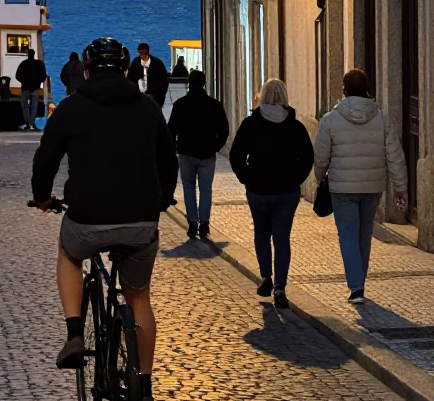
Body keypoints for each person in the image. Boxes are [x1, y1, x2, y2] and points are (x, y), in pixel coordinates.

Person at [32, 37, 178, 401]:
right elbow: (169, 159)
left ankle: (75, 333)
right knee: (139, 297)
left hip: (88, 217)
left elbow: (45, 158)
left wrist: (43, 197)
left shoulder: (71, 108)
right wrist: (162, 200)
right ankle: (144, 390)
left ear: (86, 71)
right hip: (141, 220)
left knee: (69, 252)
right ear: (128, 70)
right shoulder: (147, 109)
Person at [313, 68, 408, 304]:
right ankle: (359, 282)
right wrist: (400, 187)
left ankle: (356, 287)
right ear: (367, 89)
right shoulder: (382, 118)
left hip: (341, 188)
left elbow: (321, 156)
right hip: (371, 186)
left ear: (343, 90)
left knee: (347, 234)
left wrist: (319, 176)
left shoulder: (330, 120)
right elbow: (395, 155)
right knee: (364, 234)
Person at [228, 78, 314, 309]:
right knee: (282, 238)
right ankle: (280, 288)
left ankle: (266, 276)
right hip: (287, 192)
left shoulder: (250, 124)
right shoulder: (295, 127)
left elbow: (236, 156)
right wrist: (296, 179)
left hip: (258, 191)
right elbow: (307, 158)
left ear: (262, 96)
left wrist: (247, 178)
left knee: (262, 233)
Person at [167, 69, 229, 239]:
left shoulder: (180, 104)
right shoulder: (214, 105)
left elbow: (170, 130)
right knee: (206, 189)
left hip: (186, 152)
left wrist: (176, 146)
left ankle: (193, 223)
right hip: (207, 152)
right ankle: (205, 223)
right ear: (204, 83)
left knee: (188, 187)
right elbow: (224, 129)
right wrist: (216, 146)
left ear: (189, 83)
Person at [126, 42, 169, 108]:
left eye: (144, 53)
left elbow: (163, 81)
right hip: (138, 98)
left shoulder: (157, 63)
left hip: (155, 98)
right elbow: (130, 80)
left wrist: (160, 96)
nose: (143, 56)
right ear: (139, 52)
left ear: (148, 52)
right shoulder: (135, 63)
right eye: (141, 53)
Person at [15, 47, 47, 131]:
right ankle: (32, 123)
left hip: (25, 88)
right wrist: (38, 83)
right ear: (34, 54)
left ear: (28, 54)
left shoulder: (23, 64)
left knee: (24, 106)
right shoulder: (39, 64)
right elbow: (43, 75)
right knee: (34, 107)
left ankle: (26, 123)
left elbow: (17, 76)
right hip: (35, 88)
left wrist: (23, 82)